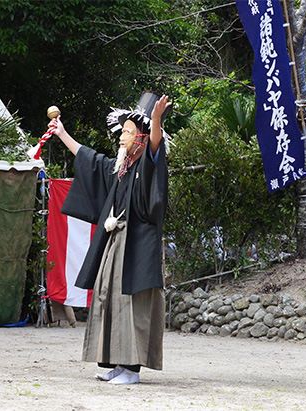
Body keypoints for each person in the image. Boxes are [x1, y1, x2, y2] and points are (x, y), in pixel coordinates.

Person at [53, 92, 171, 385]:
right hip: (116, 242)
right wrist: (63, 134)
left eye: (129, 132)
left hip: (138, 246)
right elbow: (89, 160)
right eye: (122, 131)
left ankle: (132, 369)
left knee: (132, 306)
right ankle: (117, 364)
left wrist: (155, 119)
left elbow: (156, 144)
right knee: (109, 298)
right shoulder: (122, 167)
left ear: (142, 137)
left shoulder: (148, 163)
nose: (122, 136)